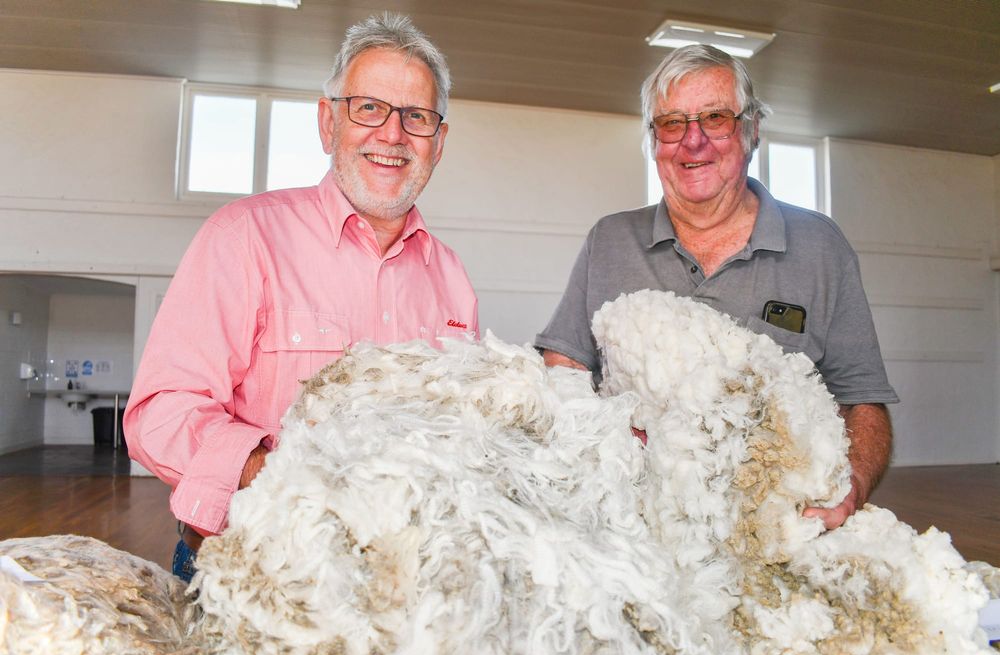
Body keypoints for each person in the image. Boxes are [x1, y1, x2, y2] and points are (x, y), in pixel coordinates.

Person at [124, 13, 478, 582]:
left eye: (416, 117)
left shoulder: (453, 279)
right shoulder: (243, 238)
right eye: (368, 107)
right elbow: (158, 413)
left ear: (438, 143)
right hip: (250, 573)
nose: (392, 134)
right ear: (327, 123)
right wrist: (279, 471)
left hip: (396, 587)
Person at [535, 44, 898, 531]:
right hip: (628, 526)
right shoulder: (611, 240)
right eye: (672, 123)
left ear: (750, 131)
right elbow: (564, 368)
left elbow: (862, 400)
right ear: (653, 139)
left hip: (768, 529)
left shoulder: (820, 248)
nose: (693, 142)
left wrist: (848, 489)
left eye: (714, 117)